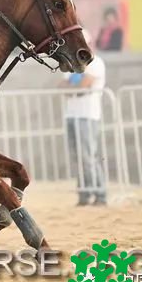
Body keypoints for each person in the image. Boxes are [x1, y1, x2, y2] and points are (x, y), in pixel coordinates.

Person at [58, 29, 107, 206]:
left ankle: (100, 194)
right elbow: (63, 86)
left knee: (89, 157)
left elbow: (82, 86)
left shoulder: (96, 63)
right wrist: (74, 89)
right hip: (72, 115)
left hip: (88, 115)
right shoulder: (72, 64)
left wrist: (73, 89)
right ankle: (85, 194)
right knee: (78, 158)